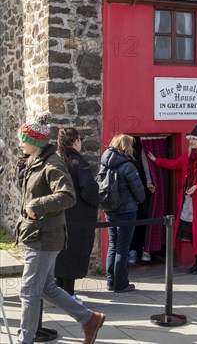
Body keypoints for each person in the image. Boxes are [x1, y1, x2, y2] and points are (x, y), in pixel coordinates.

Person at [15, 112, 105, 344]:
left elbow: (67, 195)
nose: (20, 142)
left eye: (24, 139)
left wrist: (37, 205)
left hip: (45, 237)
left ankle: (25, 340)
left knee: (28, 291)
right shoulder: (34, 161)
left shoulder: (52, 163)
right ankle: (88, 319)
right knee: (45, 287)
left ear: (35, 142)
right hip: (39, 234)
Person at [148, 123, 197, 274]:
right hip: (190, 201)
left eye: (194, 139)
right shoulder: (190, 155)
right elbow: (174, 164)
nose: (191, 142)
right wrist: (156, 160)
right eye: (190, 139)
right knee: (194, 232)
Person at [54, 128, 99, 301]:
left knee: (61, 255)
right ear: (75, 141)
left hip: (59, 214)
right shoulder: (77, 161)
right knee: (73, 255)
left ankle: (61, 292)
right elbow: (89, 190)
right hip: (78, 215)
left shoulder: (55, 159)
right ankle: (69, 294)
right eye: (80, 139)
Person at [100, 134, 145, 292]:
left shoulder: (104, 163)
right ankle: (121, 284)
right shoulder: (128, 166)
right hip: (127, 210)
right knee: (122, 247)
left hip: (110, 209)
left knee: (113, 245)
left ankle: (111, 282)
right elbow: (139, 192)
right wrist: (140, 200)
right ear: (127, 147)